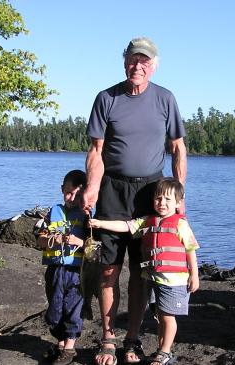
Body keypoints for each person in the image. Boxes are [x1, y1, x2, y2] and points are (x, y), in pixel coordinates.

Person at [82, 37, 188, 365]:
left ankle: (133, 338)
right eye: (133, 60)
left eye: (144, 61)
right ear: (124, 61)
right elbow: (97, 151)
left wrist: (178, 196)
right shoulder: (106, 98)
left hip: (151, 193)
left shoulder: (165, 99)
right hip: (113, 190)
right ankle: (109, 338)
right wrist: (92, 188)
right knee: (109, 269)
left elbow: (178, 148)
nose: (137, 66)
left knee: (143, 270)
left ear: (153, 66)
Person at [89, 178, 199, 365]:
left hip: (173, 281)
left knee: (167, 317)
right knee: (159, 315)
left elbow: (190, 250)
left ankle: (165, 352)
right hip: (154, 278)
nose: (161, 203)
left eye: (167, 199)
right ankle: (162, 350)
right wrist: (100, 223)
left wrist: (194, 275)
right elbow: (125, 226)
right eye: (158, 199)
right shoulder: (147, 221)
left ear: (178, 203)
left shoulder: (180, 224)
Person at [35, 169, 87, 365]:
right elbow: (40, 238)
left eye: (77, 194)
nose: (71, 198)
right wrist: (52, 239)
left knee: (73, 307)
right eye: (68, 192)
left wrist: (79, 241)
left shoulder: (87, 215)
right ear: (61, 189)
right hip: (55, 269)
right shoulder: (52, 212)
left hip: (76, 270)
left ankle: (69, 347)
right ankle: (60, 341)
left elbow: (96, 244)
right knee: (55, 308)